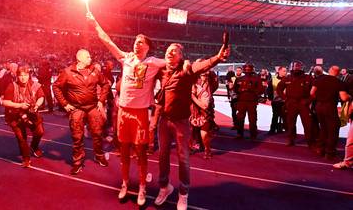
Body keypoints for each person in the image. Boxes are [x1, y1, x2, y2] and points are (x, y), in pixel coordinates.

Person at [87, 12, 166, 206]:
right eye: (135, 41)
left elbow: (174, 63)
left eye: (141, 42)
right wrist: (94, 22)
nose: (136, 44)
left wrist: (204, 62)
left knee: (140, 152)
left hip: (140, 114)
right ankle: (124, 184)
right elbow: (107, 42)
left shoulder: (153, 62)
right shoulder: (126, 59)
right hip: (123, 112)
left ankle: (141, 187)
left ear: (148, 47)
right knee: (123, 151)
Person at [154, 44, 228, 210]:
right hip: (164, 122)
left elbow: (202, 65)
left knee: (183, 160)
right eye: (168, 50)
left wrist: (217, 57)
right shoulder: (161, 70)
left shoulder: (187, 70)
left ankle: (183, 194)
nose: (170, 52)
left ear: (181, 56)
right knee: (162, 157)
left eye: (175, 51)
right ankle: (164, 187)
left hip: (181, 122)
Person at [53, 49, 110, 175]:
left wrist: (101, 100)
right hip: (76, 108)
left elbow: (105, 84)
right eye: (88, 56)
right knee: (77, 136)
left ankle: (99, 155)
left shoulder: (95, 70)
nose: (91, 58)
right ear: (79, 59)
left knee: (97, 133)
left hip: (92, 107)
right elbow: (56, 86)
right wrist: (64, 104)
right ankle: (77, 162)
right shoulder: (67, 72)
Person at [2, 65, 45, 168]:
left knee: (39, 131)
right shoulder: (12, 86)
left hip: (31, 113)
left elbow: (41, 97)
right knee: (22, 137)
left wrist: (37, 105)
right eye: (21, 75)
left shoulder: (35, 85)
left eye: (25, 75)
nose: (23, 78)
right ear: (17, 76)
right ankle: (26, 159)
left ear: (29, 75)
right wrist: (19, 105)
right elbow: (5, 102)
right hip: (15, 115)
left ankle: (34, 147)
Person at [310, 65, 350, 160]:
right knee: (333, 129)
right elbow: (344, 97)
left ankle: (320, 148)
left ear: (329, 70)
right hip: (330, 106)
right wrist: (349, 96)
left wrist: (320, 98)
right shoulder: (339, 82)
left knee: (323, 127)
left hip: (319, 106)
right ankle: (330, 152)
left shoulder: (319, 79)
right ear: (338, 72)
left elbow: (312, 93)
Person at [277, 61, 315, 147]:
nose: (296, 68)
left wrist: (308, 101)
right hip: (291, 103)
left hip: (303, 104)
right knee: (290, 123)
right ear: (291, 68)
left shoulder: (308, 78)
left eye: (298, 67)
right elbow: (279, 89)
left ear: (301, 68)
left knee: (307, 124)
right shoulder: (287, 78)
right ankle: (291, 139)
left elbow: (314, 91)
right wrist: (285, 99)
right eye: (295, 67)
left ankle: (309, 141)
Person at [189, 70, 219, 157]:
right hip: (192, 112)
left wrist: (193, 97)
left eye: (205, 75)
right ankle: (192, 147)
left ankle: (207, 149)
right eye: (202, 75)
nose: (204, 77)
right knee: (190, 131)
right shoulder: (194, 85)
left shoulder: (206, 88)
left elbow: (204, 106)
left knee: (204, 132)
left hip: (204, 112)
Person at [234, 63, 264, 140]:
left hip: (251, 101)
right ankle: (241, 134)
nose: (247, 70)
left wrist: (251, 90)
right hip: (242, 101)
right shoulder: (239, 79)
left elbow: (261, 90)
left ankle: (252, 135)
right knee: (242, 119)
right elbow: (235, 89)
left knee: (252, 119)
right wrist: (241, 91)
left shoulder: (257, 79)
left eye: (248, 69)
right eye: (246, 69)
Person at [267, 66, 287, 134]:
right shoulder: (273, 79)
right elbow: (269, 89)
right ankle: (272, 129)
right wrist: (270, 98)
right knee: (275, 115)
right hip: (276, 101)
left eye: (286, 71)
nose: (285, 72)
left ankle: (286, 129)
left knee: (285, 116)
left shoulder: (288, 79)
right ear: (279, 71)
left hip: (285, 101)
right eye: (284, 71)